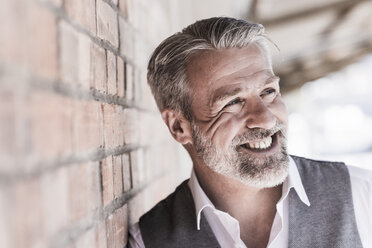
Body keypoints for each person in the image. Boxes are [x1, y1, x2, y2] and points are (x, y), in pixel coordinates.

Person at [128, 17, 372, 248]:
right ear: (179, 127)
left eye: (268, 92)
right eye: (233, 102)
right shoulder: (149, 241)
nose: (266, 119)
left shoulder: (363, 194)